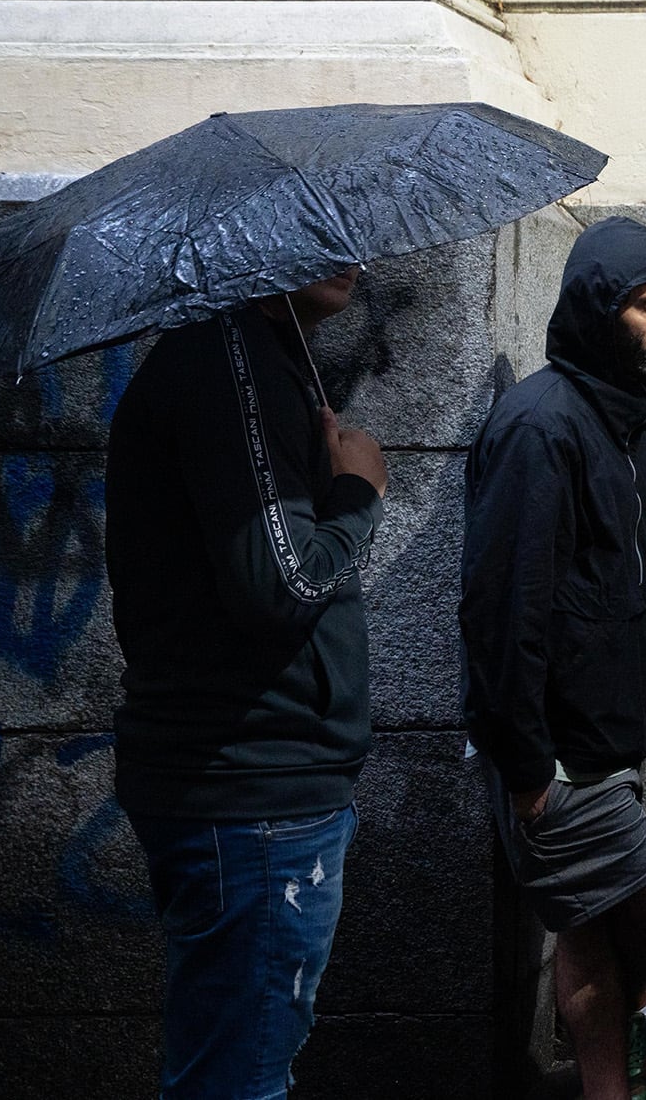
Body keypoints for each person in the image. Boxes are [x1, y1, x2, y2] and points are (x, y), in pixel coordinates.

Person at [107, 266, 388, 1099]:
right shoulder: (229, 365)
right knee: (238, 1079)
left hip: (257, 791)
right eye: (325, 226)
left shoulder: (255, 360)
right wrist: (358, 492)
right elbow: (280, 583)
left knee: (239, 1066)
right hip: (254, 799)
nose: (351, 251)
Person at [460, 217, 646, 1100]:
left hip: (611, 731)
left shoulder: (626, 416)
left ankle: (609, 1083)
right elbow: (501, 608)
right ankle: (632, 1005)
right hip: (555, 752)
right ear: (599, 308)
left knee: (589, 929)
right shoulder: (540, 425)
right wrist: (525, 767)